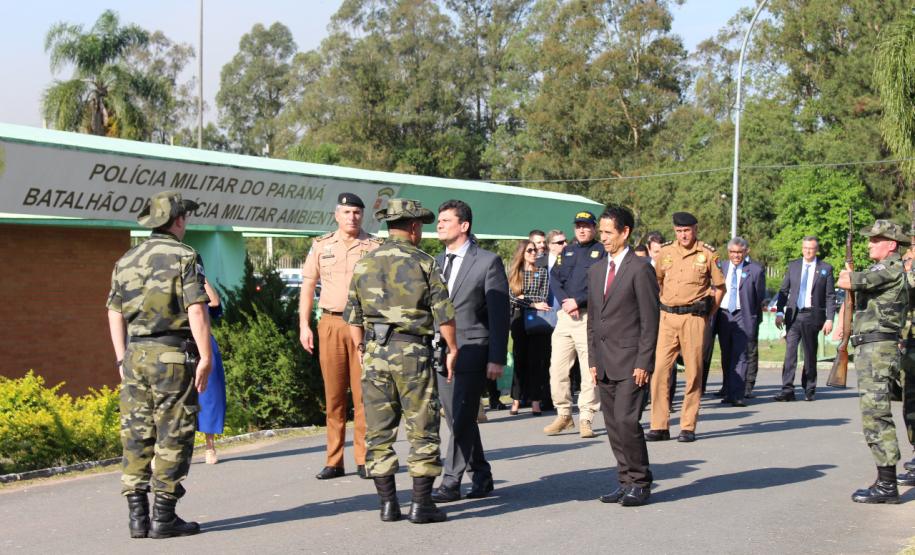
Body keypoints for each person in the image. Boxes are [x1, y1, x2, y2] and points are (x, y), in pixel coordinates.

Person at [344, 198, 458, 523]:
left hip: (375, 353)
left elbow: (353, 318)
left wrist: (362, 350)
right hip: (413, 352)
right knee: (422, 427)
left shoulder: (364, 262)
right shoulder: (424, 262)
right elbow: (444, 313)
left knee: (378, 431)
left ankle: (388, 504)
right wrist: (452, 349)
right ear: (412, 227)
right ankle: (421, 505)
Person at [106, 190, 212, 539]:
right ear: (178, 220)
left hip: (135, 356)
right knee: (174, 433)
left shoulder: (127, 259)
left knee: (136, 433)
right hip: (172, 356)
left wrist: (121, 357)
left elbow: (114, 311)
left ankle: (137, 518)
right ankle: (164, 516)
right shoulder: (185, 256)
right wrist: (206, 356)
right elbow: (197, 308)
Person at [432, 200, 510, 503]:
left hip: (473, 348)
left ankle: (450, 480)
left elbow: (499, 313)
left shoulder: (488, 262)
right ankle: (481, 472)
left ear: (464, 226)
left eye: (446, 220)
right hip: (441, 351)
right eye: (438, 220)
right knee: (455, 418)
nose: (439, 225)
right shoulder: (435, 261)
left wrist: (497, 357)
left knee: (463, 415)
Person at [300, 193, 382, 480]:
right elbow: (308, 285)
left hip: (363, 326)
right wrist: (304, 325)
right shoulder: (322, 246)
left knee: (363, 395)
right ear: (337, 215)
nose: (352, 217)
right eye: (347, 212)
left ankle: (362, 457)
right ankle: (334, 460)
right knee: (334, 395)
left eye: (357, 212)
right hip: (332, 323)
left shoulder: (374, 246)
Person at [587, 205, 659, 507]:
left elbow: (650, 320)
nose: (602, 237)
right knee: (613, 425)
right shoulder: (596, 270)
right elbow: (593, 320)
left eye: (608, 232)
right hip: (603, 361)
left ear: (624, 232)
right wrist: (592, 360)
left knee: (627, 421)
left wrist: (645, 361)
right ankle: (624, 479)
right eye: (600, 232)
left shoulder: (640, 268)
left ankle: (640, 482)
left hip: (631, 363)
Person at [835, 220, 910, 503]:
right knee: (873, 415)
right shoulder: (883, 269)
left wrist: (850, 273)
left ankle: (887, 485)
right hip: (872, 347)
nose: (870, 244)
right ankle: (884, 480)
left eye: (876, 240)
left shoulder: (889, 268)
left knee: (876, 415)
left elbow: (847, 281)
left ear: (891, 244)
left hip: (879, 348)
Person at [647, 212, 724, 443]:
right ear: (674, 231)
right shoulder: (666, 252)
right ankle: (659, 425)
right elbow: (657, 280)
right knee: (660, 370)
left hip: (693, 318)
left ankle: (687, 426)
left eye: (687, 230)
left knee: (693, 372)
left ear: (695, 229)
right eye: (679, 231)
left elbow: (720, 287)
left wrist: (708, 314)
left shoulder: (707, 254)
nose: (683, 235)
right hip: (667, 317)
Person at [543, 211, 606, 438]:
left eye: (586, 226)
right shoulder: (567, 251)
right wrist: (565, 302)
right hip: (565, 318)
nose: (582, 230)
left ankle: (586, 417)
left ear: (594, 228)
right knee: (557, 369)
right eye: (578, 226)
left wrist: (578, 301)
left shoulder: (601, 252)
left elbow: (602, 285)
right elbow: (555, 279)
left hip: (587, 317)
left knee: (589, 371)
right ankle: (564, 414)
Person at [774, 236, 835, 402]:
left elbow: (830, 296)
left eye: (811, 248)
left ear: (817, 250)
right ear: (802, 248)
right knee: (790, 354)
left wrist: (830, 318)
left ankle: (809, 388)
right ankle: (787, 390)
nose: (808, 251)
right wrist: (779, 312)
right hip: (793, 316)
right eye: (805, 248)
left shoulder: (826, 268)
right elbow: (783, 291)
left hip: (812, 317)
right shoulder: (793, 266)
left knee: (809, 354)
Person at [715, 237, 766, 407]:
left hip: (743, 316)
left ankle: (738, 394)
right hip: (723, 315)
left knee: (741, 355)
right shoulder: (722, 267)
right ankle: (728, 391)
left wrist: (752, 316)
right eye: (732, 252)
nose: (736, 256)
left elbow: (759, 297)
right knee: (726, 354)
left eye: (739, 252)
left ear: (746, 252)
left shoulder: (756, 270)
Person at [508, 240, 552, 416]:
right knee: (519, 361)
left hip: (537, 322)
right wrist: (533, 303)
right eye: (530, 250)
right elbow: (512, 297)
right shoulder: (514, 273)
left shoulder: (542, 272)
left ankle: (536, 401)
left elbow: (544, 296)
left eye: (535, 250)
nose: (534, 253)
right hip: (518, 320)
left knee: (537, 362)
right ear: (522, 253)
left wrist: (526, 298)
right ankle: (516, 400)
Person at [198, 279, 227, 464]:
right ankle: (159, 451)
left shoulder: (197, 286)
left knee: (210, 395)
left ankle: (210, 447)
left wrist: (202, 276)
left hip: (203, 342)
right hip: (175, 343)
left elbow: (215, 303)